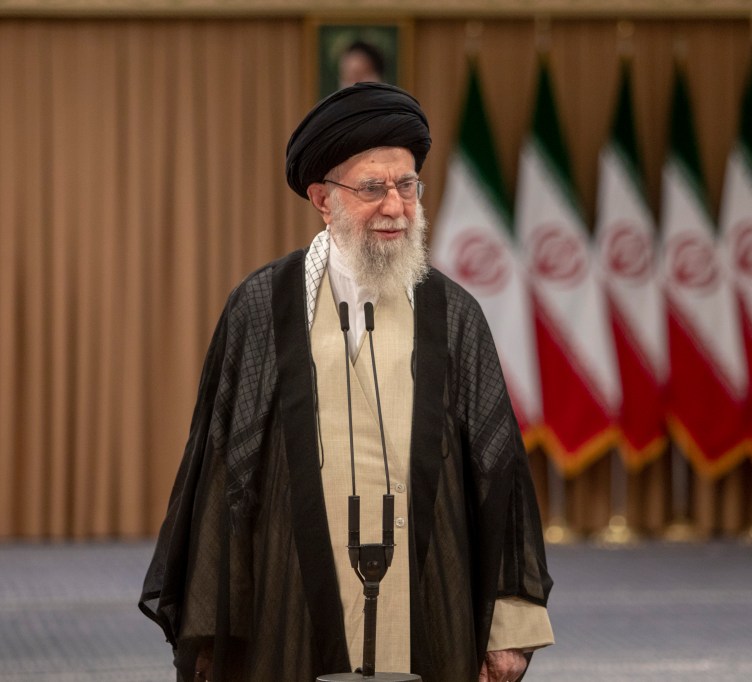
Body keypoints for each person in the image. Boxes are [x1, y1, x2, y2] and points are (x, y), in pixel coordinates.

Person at [140, 82, 554, 682]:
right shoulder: (262, 307)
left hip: (431, 602)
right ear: (322, 199)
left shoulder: (452, 313)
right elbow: (221, 475)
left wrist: (509, 630)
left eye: (407, 185)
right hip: (289, 608)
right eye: (371, 188)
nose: (395, 206)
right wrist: (210, 633)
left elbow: (500, 476)